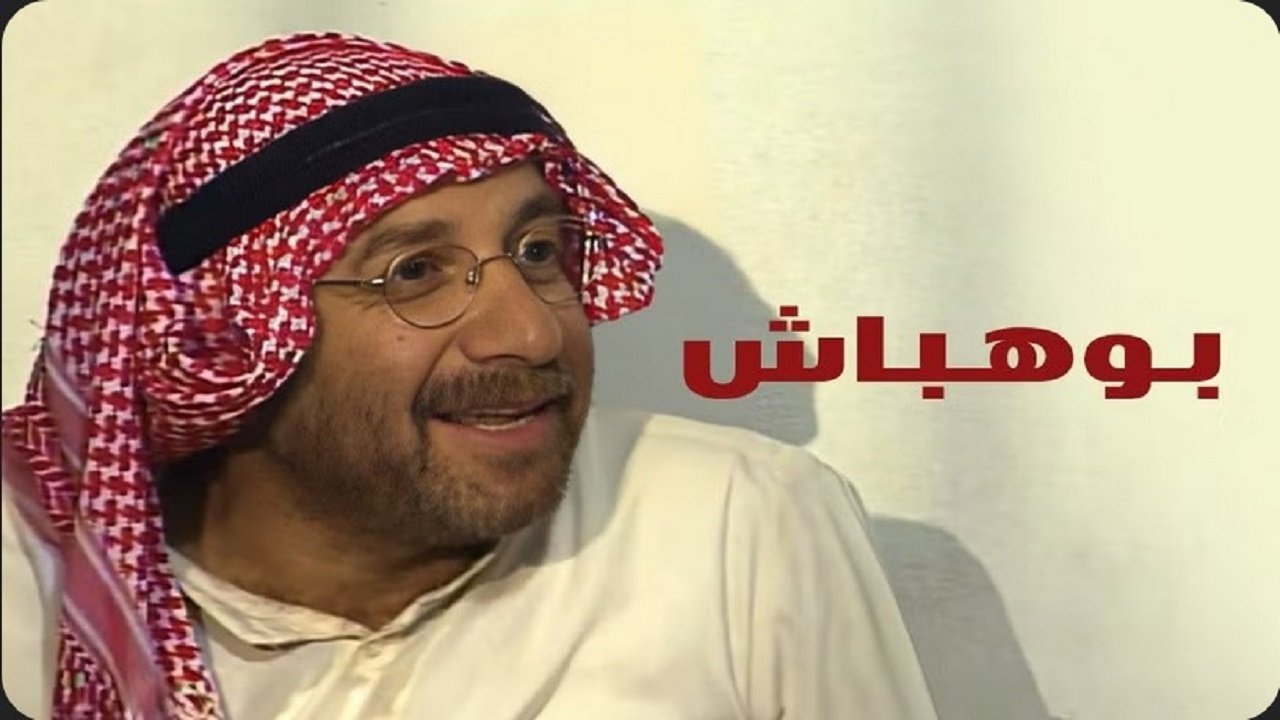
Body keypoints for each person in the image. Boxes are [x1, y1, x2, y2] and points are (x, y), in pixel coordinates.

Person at [1, 32, 937, 719]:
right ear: (220, 340)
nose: (529, 331)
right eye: (415, 272)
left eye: (538, 251)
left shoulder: (736, 523)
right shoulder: (28, 584)